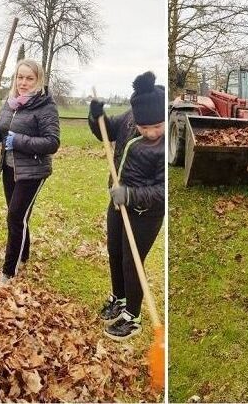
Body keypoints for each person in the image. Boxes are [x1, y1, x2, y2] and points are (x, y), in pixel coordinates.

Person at [88, 71, 165, 341]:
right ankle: (119, 298)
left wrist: (130, 195)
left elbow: (162, 190)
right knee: (115, 251)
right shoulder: (130, 119)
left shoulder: (165, 145)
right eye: (146, 129)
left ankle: (133, 317)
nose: (152, 132)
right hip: (118, 203)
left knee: (133, 261)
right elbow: (104, 130)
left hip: (145, 212)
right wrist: (95, 114)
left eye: (158, 126)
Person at [0, 59, 60, 287]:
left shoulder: (45, 106)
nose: (23, 82)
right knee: (20, 216)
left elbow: (52, 142)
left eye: (29, 78)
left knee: (15, 217)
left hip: (33, 171)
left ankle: (8, 272)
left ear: (38, 80)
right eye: (20, 77)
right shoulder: (9, 103)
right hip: (10, 167)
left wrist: (19, 141)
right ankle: (23, 255)